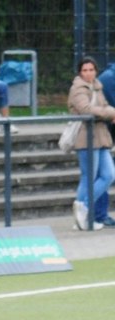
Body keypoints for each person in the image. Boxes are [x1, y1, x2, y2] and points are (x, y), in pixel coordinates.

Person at [66, 58, 115, 231]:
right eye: (85, 70)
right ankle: (82, 215)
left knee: (109, 175)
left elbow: (105, 105)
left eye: (91, 69)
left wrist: (109, 112)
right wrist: (110, 114)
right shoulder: (78, 88)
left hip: (100, 136)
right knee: (88, 177)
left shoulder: (97, 86)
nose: (88, 73)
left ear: (95, 71)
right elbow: (86, 109)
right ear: (80, 72)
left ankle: (83, 206)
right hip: (85, 137)